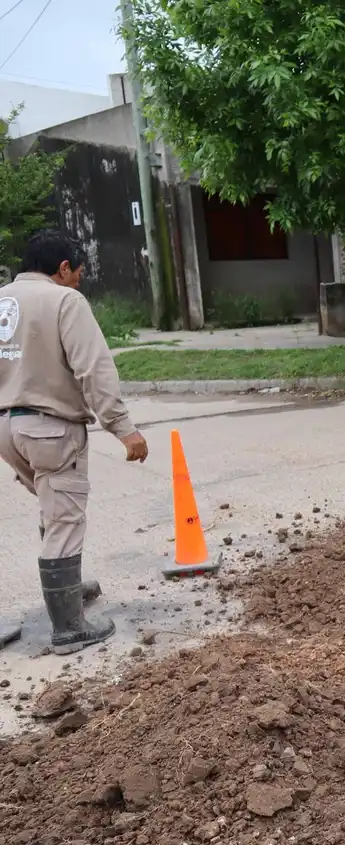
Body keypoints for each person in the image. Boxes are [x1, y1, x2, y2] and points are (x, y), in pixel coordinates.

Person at [0, 230, 148, 653]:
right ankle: (68, 627)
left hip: (6, 428)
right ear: (62, 268)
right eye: (78, 272)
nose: (79, 281)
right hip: (49, 427)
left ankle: (66, 589)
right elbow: (94, 369)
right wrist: (123, 428)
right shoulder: (65, 301)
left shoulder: (3, 299)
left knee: (53, 504)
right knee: (65, 517)